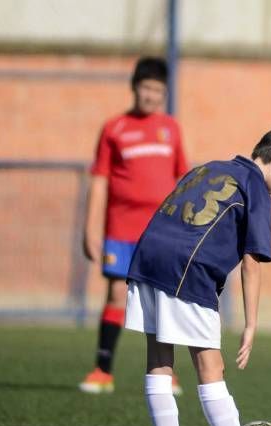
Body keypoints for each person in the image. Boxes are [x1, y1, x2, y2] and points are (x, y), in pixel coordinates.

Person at [124, 121, 271, 426]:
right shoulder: (255, 186)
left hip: (147, 257)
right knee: (211, 366)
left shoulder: (209, 167)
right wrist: (251, 324)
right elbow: (252, 260)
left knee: (160, 360)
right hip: (187, 269)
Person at [80, 57, 189, 395]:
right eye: (146, 88)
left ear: (165, 92)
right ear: (134, 88)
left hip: (160, 231)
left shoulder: (170, 128)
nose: (151, 96)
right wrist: (90, 229)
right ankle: (102, 369)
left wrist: (186, 225)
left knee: (162, 298)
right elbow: (99, 181)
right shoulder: (114, 128)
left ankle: (166, 373)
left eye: (158, 90)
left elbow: (181, 178)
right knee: (116, 293)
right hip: (121, 229)